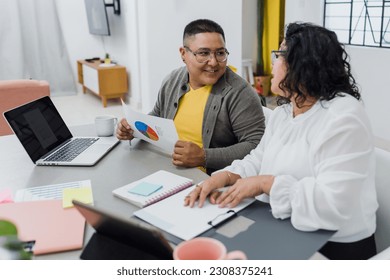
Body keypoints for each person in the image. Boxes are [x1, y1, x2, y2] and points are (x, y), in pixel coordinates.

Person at [185, 22, 378, 260]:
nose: (273, 64)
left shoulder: (344, 118)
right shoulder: (285, 112)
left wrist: (265, 184)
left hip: (333, 246)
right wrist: (224, 177)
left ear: (303, 64)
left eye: (278, 56)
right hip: (283, 225)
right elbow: (258, 159)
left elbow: (332, 206)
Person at [116, 19, 265, 174]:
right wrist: (133, 128)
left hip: (206, 180)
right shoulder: (172, 80)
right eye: (203, 53)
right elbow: (157, 116)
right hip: (161, 167)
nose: (213, 62)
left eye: (220, 53)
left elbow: (256, 144)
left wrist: (204, 157)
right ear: (183, 54)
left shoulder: (239, 92)